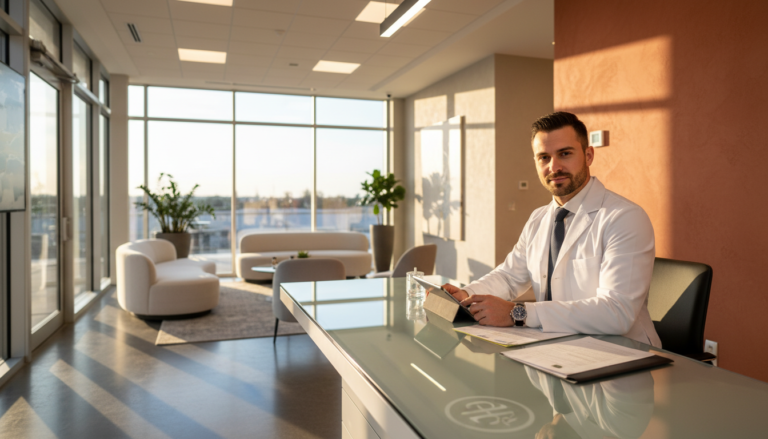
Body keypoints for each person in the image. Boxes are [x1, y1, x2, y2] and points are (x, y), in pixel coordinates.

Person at [442, 112, 661, 347]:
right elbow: (509, 276)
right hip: (557, 346)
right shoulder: (539, 218)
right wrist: (467, 295)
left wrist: (518, 313)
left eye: (565, 154)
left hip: (622, 353)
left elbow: (617, 312)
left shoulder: (624, 217)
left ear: (588, 155)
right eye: (544, 157)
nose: (554, 167)